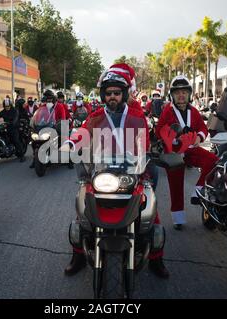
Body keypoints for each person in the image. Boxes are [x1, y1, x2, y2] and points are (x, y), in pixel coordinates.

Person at [62, 64, 170, 278]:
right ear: (104, 95)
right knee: (83, 210)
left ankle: (157, 259)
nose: (113, 97)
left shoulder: (137, 114)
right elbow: (83, 131)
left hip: (132, 170)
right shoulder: (97, 115)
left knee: (151, 210)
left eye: (117, 93)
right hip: (102, 169)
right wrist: (71, 143)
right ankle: (78, 256)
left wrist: (149, 156)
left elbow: (146, 143)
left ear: (125, 93)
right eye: (109, 93)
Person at [155, 75, 219, 231]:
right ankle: (178, 218)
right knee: (175, 186)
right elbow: (159, 131)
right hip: (174, 154)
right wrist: (175, 135)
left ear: (189, 94)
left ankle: (198, 190)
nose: (181, 95)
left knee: (213, 161)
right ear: (173, 95)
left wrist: (199, 136)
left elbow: (203, 129)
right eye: (178, 93)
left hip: (191, 150)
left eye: (184, 92)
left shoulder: (194, 111)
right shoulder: (167, 112)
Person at [0, 96, 26, 162]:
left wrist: (12, 122)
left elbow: (15, 118)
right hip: (6, 127)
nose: (7, 108)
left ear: (10, 105)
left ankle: (22, 155)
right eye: (6, 106)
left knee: (15, 140)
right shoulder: (3, 111)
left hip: (14, 127)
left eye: (8, 106)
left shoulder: (14, 111)